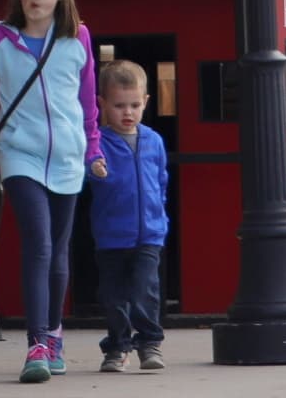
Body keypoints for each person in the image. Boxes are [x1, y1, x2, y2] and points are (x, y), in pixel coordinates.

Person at [0, 0, 106, 383]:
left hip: (66, 157)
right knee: (38, 244)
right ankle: (37, 342)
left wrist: (93, 150)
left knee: (59, 252)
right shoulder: (0, 38)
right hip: (19, 154)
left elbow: (87, 103)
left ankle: (55, 334)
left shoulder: (77, 38)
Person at [85, 58, 169, 373]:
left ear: (146, 102)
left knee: (145, 290)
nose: (128, 112)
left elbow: (161, 183)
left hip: (149, 233)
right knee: (113, 296)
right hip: (110, 235)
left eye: (135, 104)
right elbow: (83, 178)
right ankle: (117, 346)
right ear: (102, 104)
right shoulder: (96, 144)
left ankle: (150, 343)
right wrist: (91, 168)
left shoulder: (154, 141)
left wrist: (161, 219)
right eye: (120, 105)